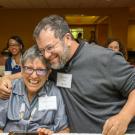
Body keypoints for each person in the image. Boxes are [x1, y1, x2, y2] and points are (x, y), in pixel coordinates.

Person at [0, 15, 135, 135]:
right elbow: (33, 72)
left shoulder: (104, 58)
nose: (46, 55)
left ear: (67, 38)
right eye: (42, 50)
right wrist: (6, 78)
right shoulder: (55, 64)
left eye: (50, 47)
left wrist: (124, 116)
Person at [0, 45, 69, 134]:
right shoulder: (8, 88)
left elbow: (64, 129)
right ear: (22, 69)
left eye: (40, 70)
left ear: (48, 73)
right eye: (29, 68)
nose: (34, 76)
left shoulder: (54, 92)